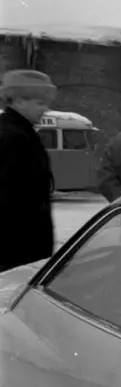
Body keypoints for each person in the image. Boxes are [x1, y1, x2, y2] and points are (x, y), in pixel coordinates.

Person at [0, 70, 57, 272]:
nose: (46, 109)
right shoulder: (11, 137)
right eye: (40, 103)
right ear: (19, 101)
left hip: (22, 247)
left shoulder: (21, 133)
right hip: (16, 250)